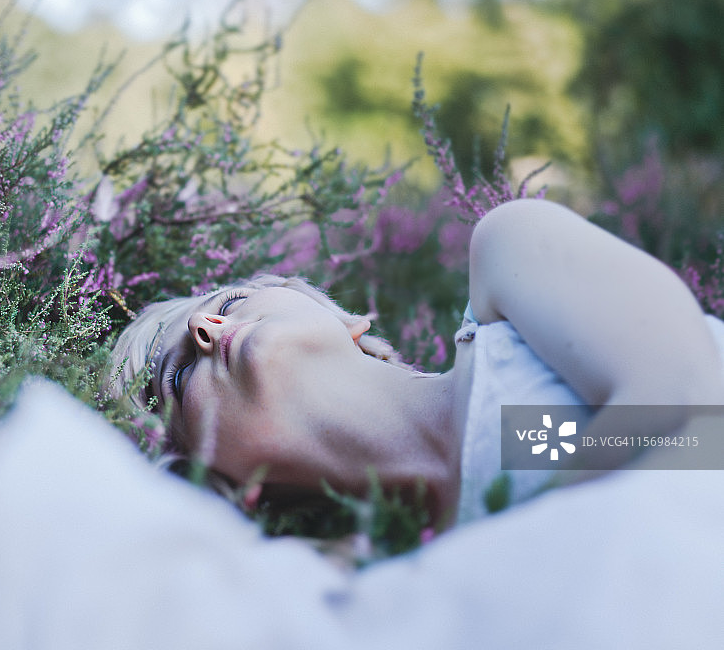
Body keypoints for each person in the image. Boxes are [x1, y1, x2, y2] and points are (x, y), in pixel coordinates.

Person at [110, 198, 724, 530]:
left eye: (233, 301)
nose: (204, 328)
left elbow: (692, 414)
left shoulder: (507, 268)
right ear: (227, 482)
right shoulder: (377, 597)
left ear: (349, 324)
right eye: (178, 375)